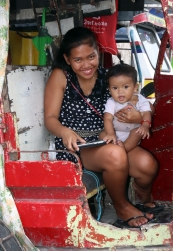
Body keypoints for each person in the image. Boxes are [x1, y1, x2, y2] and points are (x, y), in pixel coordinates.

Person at [44, 26, 159, 228]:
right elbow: (50, 118)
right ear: (67, 59)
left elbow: (141, 102)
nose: (86, 65)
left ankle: (140, 198)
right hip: (77, 145)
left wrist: (139, 116)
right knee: (115, 155)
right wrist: (64, 131)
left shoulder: (109, 77)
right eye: (78, 60)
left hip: (106, 138)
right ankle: (122, 206)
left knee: (147, 165)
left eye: (91, 56)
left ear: (98, 51)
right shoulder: (61, 76)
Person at [100, 63, 152, 152]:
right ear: (109, 89)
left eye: (125, 87)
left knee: (137, 132)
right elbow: (107, 119)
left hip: (131, 133)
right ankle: (113, 149)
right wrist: (110, 133)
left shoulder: (140, 100)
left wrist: (145, 125)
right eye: (115, 88)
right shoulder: (111, 101)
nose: (120, 91)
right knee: (102, 134)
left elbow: (146, 113)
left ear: (135, 87)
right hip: (115, 131)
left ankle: (124, 149)